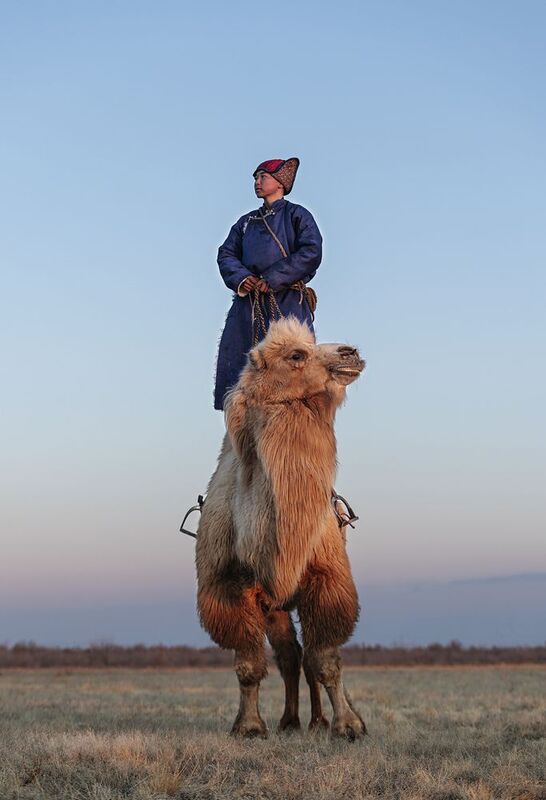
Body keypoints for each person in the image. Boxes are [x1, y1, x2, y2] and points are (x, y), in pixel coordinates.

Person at [214, 157, 322, 410]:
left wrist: (272, 278)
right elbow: (226, 254)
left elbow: (311, 251)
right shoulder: (245, 223)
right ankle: (243, 437)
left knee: (294, 370)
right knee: (241, 377)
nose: (257, 182)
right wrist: (244, 278)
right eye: (255, 178)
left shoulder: (297, 215)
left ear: (280, 183)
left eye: (263, 177)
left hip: (287, 304)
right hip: (247, 308)